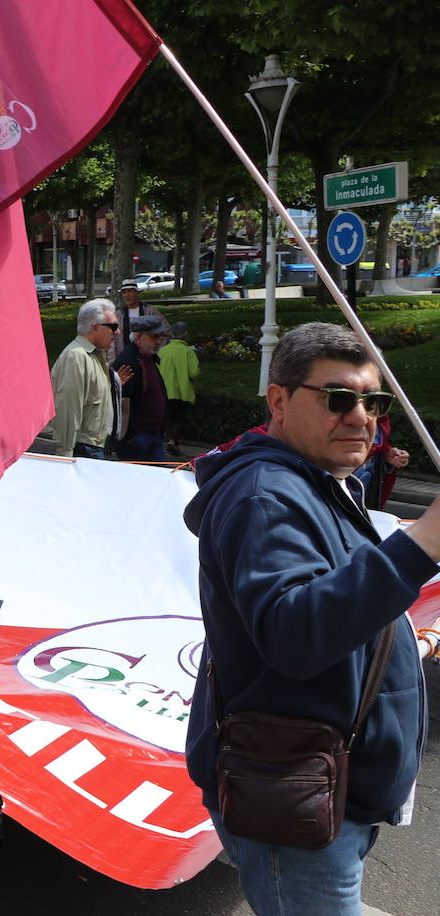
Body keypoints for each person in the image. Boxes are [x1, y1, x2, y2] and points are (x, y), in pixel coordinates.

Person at [183, 322, 440, 915]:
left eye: (372, 402)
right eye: (338, 399)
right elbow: (292, 633)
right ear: (279, 400)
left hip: (329, 786)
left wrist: (405, 645)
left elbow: (335, 598)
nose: (361, 418)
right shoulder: (264, 494)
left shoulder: (322, 481)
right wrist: (425, 538)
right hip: (293, 798)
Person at [45, 299, 130, 459]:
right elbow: (68, 410)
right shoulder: (76, 357)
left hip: (95, 448)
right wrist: (65, 456)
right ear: (95, 327)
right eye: (113, 327)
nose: (117, 332)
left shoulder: (95, 357)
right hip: (83, 450)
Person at [112, 315, 170, 461]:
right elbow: (121, 401)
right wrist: (130, 436)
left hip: (152, 434)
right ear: (138, 338)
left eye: (160, 336)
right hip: (137, 437)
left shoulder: (147, 357)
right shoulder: (129, 362)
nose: (159, 341)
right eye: (154, 336)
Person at [157, 322, 200, 456]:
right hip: (183, 391)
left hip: (165, 390)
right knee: (180, 417)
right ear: (185, 334)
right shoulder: (188, 352)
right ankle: (173, 441)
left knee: (169, 417)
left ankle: (172, 441)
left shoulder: (163, 350)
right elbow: (194, 372)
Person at [111, 280, 165, 365]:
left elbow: (165, 333)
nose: (127, 295)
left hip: (147, 358)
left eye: (130, 291)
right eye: (124, 292)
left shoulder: (150, 311)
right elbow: (112, 340)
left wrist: (155, 350)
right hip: (125, 360)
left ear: (137, 292)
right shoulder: (118, 315)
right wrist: (113, 362)